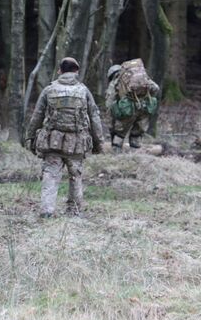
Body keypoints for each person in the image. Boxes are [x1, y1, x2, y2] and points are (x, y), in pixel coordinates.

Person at [24, 57, 104, 218]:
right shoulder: (84, 91)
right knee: (75, 175)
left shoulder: (49, 90)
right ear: (76, 71)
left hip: (52, 141)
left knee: (50, 174)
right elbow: (94, 117)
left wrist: (30, 137)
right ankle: (74, 212)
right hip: (77, 143)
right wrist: (98, 141)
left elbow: (37, 115)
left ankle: (47, 210)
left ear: (60, 70)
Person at [105, 59, 160, 151]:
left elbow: (109, 103)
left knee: (119, 133)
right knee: (137, 133)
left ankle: (116, 154)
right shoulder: (142, 78)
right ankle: (135, 154)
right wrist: (143, 97)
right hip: (144, 109)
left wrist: (112, 119)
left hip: (127, 109)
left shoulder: (116, 81)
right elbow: (156, 88)